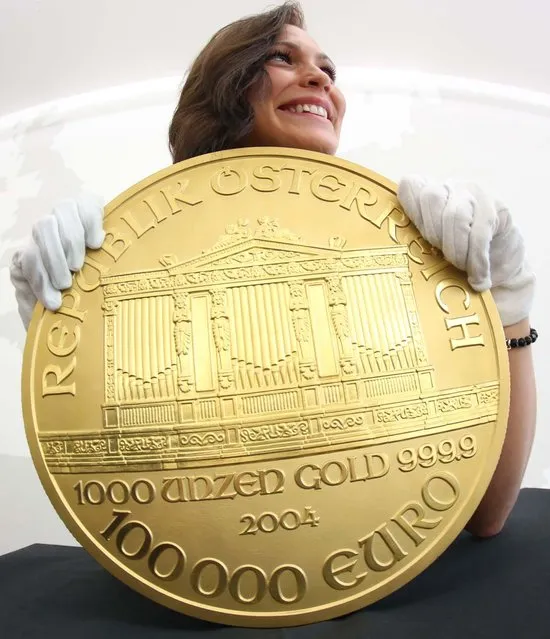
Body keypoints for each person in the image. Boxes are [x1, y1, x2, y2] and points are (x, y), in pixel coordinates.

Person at [9, 1, 536, 538]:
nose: (320, 78)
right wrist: (65, 323)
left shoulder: (402, 240)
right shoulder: (126, 255)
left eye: (329, 70)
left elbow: (486, 515)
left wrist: (508, 308)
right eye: (282, 57)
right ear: (225, 86)